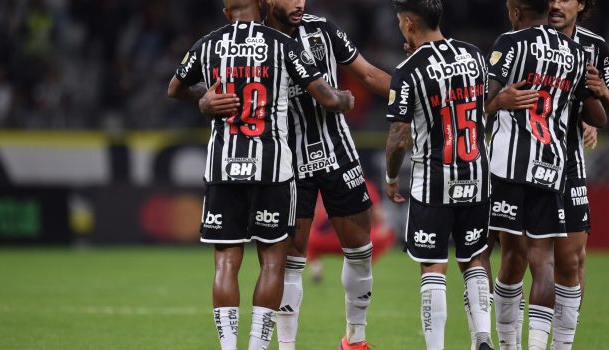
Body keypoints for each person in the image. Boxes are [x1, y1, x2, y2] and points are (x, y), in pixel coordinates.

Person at [200, 0, 391, 348]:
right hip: (286, 163)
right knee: (290, 260)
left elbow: (367, 73)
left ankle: (356, 339)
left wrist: (416, 95)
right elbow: (208, 88)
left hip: (337, 153)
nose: (300, 2)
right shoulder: (252, 43)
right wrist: (205, 100)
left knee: (360, 250)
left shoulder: (322, 29)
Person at [167, 0, 354, 349]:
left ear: (226, 12)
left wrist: (204, 100)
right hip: (272, 169)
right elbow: (326, 97)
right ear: (260, 5)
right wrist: (346, 100)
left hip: (224, 166)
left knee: (225, 263)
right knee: (272, 263)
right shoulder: (282, 44)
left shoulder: (207, 44)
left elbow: (174, 88)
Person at [483, 0, 607, 349]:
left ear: (516, 10)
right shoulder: (576, 53)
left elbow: (488, 101)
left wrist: (499, 101)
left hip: (508, 166)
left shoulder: (509, 43)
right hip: (551, 166)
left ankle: (505, 343)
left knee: (506, 255)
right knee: (544, 259)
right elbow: (598, 116)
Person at [384, 0, 493, 349]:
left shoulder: (408, 69)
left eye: (401, 22)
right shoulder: (475, 55)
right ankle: (482, 338)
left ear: (409, 23)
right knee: (474, 257)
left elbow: (399, 137)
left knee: (433, 266)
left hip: (435, 180)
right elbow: (484, 103)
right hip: (476, 175)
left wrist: (390, 177)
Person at [547, 0, 609, 348]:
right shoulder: (532, 38)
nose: (555, 4)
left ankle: (565, 340)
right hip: (528, 160)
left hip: (571, 161)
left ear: (581, 5)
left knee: (573, 258)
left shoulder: (595, 47)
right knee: (525, 255)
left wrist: (601, 97)